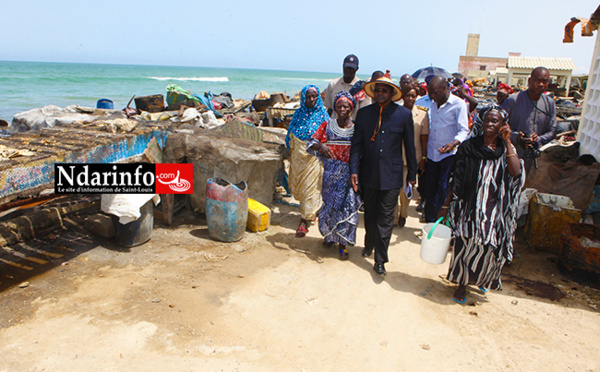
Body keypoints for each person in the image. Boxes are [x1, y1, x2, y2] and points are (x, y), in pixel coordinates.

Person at [439, 104, 524, 304]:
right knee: (466, 243)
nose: (489, 124)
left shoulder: (505, 150)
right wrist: (446, 205)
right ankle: (461, 284)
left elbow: (516, 172)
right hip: (469, 206)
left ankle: (485, 279)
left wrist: (508, 141)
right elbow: (455, 179)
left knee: (489, 246)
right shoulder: (469, 147)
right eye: (486, 119)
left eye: (495, 121)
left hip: (494, 208)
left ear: (503, 125)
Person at [350, 72, 417, 276]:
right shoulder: (364, 114)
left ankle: (380, 259)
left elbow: (410, 147)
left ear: (391, 93)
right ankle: (369, 243)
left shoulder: (403, 115)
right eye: (377, 90)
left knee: (386, 218)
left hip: (392, 175)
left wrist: (412, 175)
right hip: (367, 173)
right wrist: (354, 170)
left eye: (384, 90)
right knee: (370, 214)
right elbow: (356, 146)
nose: (380, 93)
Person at [308, 91, 362, 260]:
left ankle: (343, 244)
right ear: (335, 108)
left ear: (351, 109)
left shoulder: (356, 129)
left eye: (345, 106)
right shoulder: (327, 125)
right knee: (330, 207)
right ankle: (330, 236)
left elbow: (361, 151)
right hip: (330, 175)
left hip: (348, 176)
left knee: (347, 209)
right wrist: (321, 146)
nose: (342, 109)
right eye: (339, 106)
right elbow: (310, 143)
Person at [424, 76, 470, 223]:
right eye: (430, 93)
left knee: (443, 189)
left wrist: (454, 143)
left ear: (445, 89)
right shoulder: (433, 103)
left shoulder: (458, 104)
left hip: (448, 155)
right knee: (429, 189)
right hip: (432, 154)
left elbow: (464, 130)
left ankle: (439, 221)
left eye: (435, 92)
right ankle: (430, 220)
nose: (432, 96)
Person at [286, 85, 329, 237]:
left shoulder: (323, 114)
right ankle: (311, 211)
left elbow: (327, 136)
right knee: (298, 187)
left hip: (314, 158)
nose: (311, 100)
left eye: (314, 96)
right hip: (298, 158)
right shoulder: (298, 114)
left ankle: (304, 220)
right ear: (303, 98)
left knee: (311, 188)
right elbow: (290, 132)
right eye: (308, 97)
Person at [502, 67, 557, 173]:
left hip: (533, 157)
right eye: (537, 80)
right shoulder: (513, 100)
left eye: (544, 81)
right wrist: (516, 137)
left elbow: (553, 130)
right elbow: (499, 127)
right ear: (529, 81)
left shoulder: (549, 103)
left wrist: (539, 139)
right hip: (510, 153)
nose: (541, 84)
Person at [395, 83, 429, 227]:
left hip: (412, 158)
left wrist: (423, 159)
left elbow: (424, 138)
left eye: (413, 96)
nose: (410, 98)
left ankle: (403, 214)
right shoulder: (396, 112)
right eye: (407, 95)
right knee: (394, 190)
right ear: (402, 96)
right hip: (395, 156)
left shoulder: (422, 114)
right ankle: (394, 217)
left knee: (406, 189)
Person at [324, 54, 361, 120]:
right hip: (334, 125)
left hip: (352, 126)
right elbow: (330, 109)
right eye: (346, 68)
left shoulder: (361, 87)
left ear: (356, 69)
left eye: (351, 68)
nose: (348, 71)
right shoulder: (333, 84)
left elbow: (363, 112)